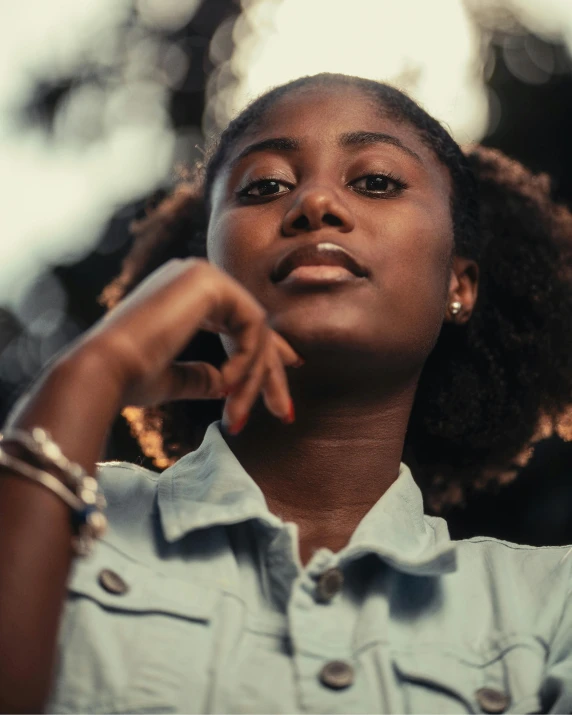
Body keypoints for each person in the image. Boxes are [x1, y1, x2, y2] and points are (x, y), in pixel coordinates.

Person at [1, 73, 572, 714]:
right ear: (201, 273)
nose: (315, 204)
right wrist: (89, 372)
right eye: (266, 185)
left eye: (376, 180)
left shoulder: (552, 607)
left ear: (458, 286)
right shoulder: (56, 518)